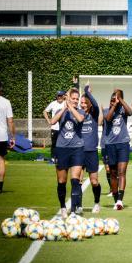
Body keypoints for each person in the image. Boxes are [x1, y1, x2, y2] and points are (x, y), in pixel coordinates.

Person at [50, 88, 85, 218]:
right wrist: (65, 108)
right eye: (73, 99)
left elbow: (80, 119)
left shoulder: (81, 111)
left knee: (75, 180)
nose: (75, 101)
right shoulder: (61, 111)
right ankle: (63, 207)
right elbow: (52, 122)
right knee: (61, 181)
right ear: (68, 98)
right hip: (61, 149)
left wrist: (71, 107)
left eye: (77, 99)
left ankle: (74, 210)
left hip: (77, 148)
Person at [104, 89, 132, 210]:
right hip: (110, 144)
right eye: (111, 100)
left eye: (115, 99)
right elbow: (108, 118)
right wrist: (114, 105)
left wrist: (120, 100)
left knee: (122, 172)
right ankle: (116, 200)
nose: (113, 102)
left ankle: (120, 200)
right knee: (113, 173)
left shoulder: (123, 110)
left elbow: (130, 112)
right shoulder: (107, 110)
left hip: (123, 143)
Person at [80, 83, 102, 214]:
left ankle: (96, 203)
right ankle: (78, 205)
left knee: (94, 181)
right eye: (81, 102)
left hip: (91, 152)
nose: (83, 104)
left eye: (85, 102)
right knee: (77, 180)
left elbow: (94, 102)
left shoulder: (94, 114)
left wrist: (88, 92)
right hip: (78, 151)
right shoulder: (77, 114)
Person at [0, 79, 15, 194]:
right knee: (1, 160)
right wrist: (13, 136)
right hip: (1, 136)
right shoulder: (6, 102)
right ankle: (0, 188)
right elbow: (10, 121)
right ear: (1, 88)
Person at [43, 90, 66, 163]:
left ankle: (62, 158)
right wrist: (49, 121)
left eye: (61, 95)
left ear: (63, 96)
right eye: (58, 96)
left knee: (64, 144)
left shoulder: (66, 103)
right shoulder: (53, 103)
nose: (59, 97)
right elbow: (45, 112)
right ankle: (53, 158)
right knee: (54, 144)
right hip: (55, 128)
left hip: (64, 129)